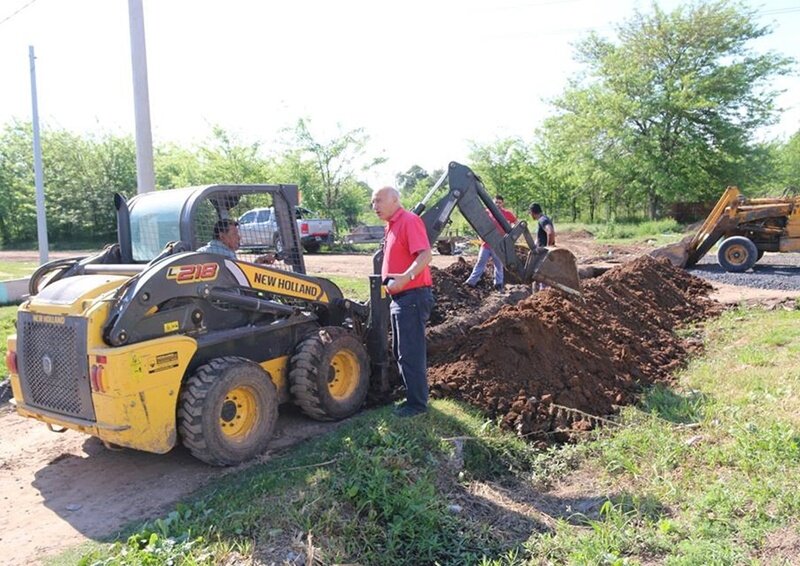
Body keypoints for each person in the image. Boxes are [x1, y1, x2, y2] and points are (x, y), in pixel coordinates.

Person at [372, 186, 435, 418]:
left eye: (379, 200)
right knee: (402, 351)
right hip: (401, 298)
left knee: (411, 352)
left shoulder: (409, 221)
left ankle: (417, 405)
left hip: (412, 296)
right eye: (373, 202)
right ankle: (412, 398)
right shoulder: (391, 226)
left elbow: (425, 255)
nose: (374, 206)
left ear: (395, 200)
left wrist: (406, 277)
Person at [465, 194, 518, 291]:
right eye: (496, 202)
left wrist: (511, 232)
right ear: (492, 203)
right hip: (486, 244)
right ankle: (471, 282)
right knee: (480, 262)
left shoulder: (506, 214)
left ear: (502, 203)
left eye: (499, 203)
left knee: (498, 265)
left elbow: (516, 222)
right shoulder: (486, 212)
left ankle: (498, 284)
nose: (497, 204)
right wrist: (479, 235)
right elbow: (478, 223)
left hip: (499, 244)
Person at [529, 203, 555, 292]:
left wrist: (548, 248)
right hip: (540, 251)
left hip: (544, 252)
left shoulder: (542, 220)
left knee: (543, 276)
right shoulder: (544, 219)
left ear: (532, 212)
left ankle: (543, 294)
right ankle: (539, 295)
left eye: (530, 213)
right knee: (539, 276)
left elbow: (550, 232)